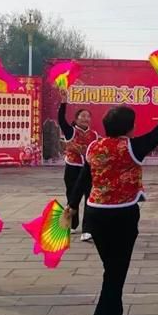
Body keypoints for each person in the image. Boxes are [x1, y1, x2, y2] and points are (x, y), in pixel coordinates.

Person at [66, 84, 158, 315]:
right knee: (115, 275)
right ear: (129, 127)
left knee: (112, 269)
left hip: (94, 214)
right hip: (122, 216)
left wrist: (71, 205)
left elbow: (83, 179)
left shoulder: (94, 146)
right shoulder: (132, 146)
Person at [58, 88, 98, 242]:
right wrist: (63, 102)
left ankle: (87, 230)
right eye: (83, 116)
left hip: (88, 169)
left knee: (89, 198)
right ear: (76, 118)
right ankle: (72, 224)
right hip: (73, 168)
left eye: (88, 116)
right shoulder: (71, 131)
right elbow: (61, 120)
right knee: (72, 196)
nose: (85, 118)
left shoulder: (94, 135)